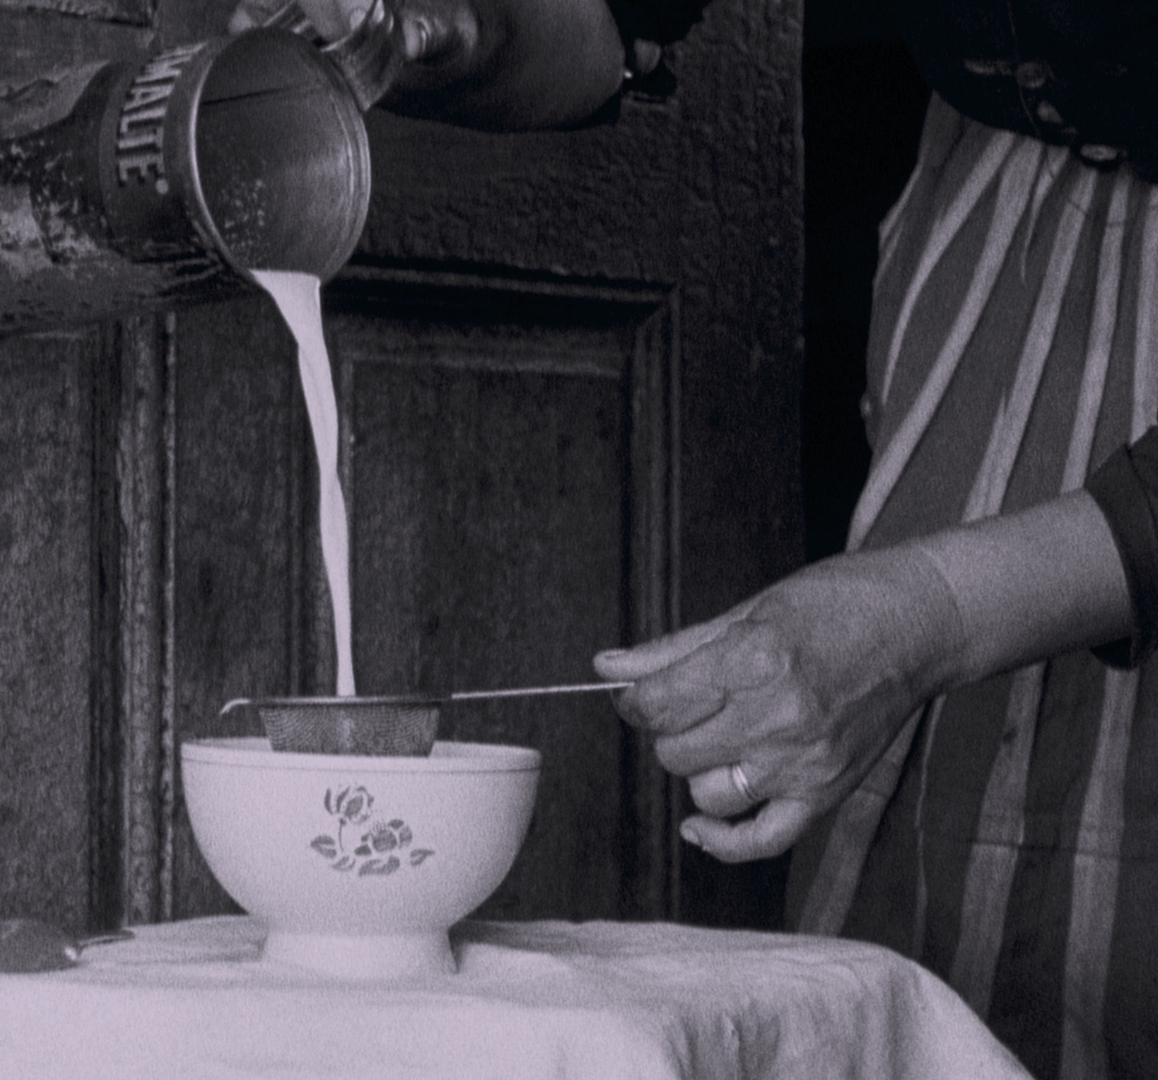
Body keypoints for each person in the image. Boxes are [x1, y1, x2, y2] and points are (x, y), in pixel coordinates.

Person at [232, 1, 1158, 1074]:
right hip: (1006, 243)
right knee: (943, 902)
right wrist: (445, 30)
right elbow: (609, 16)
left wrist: (933, 612)